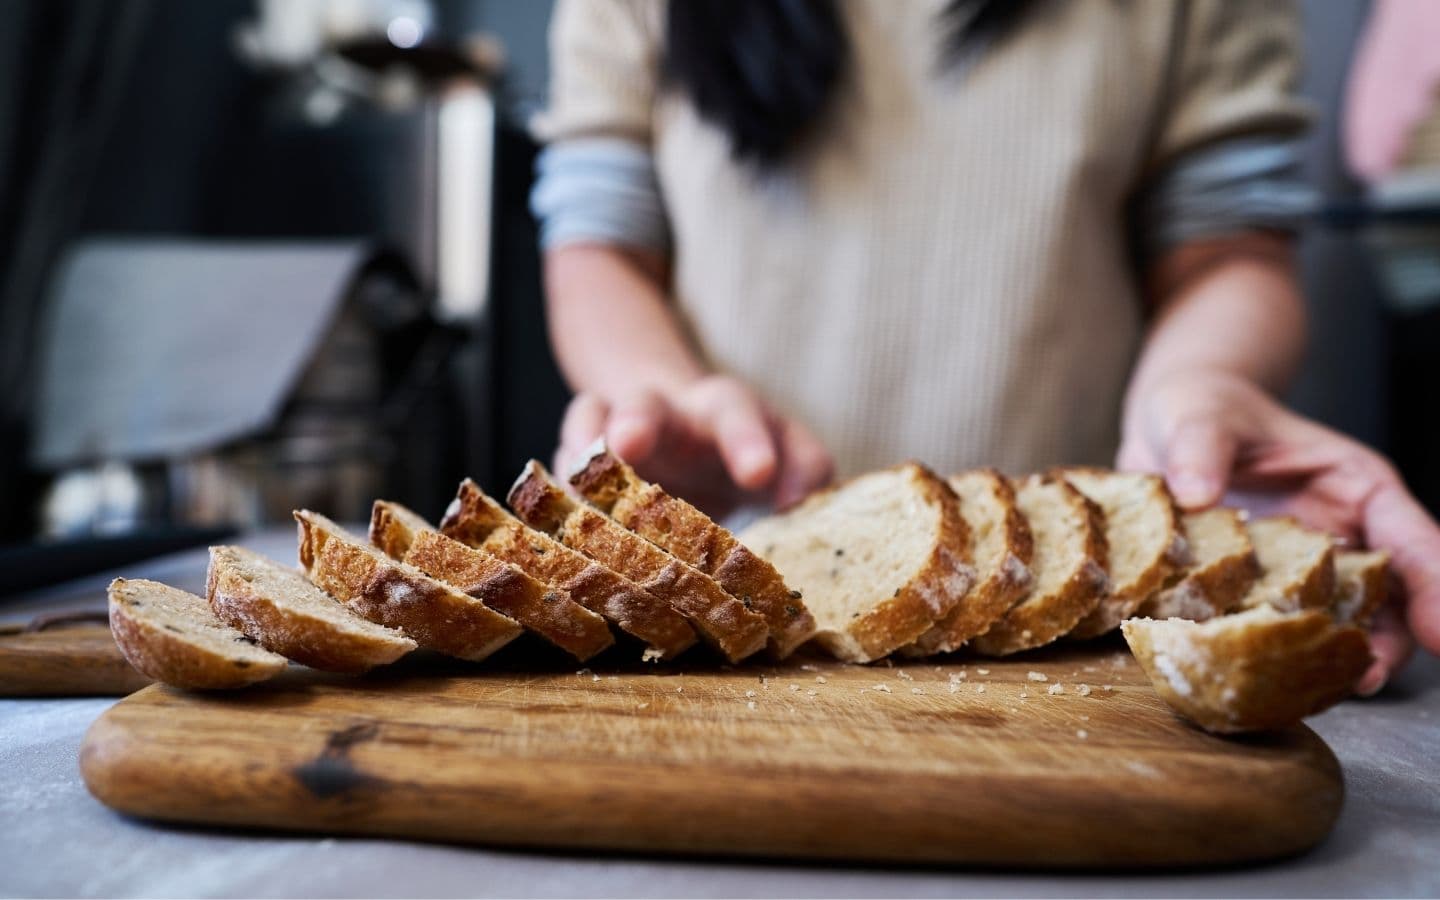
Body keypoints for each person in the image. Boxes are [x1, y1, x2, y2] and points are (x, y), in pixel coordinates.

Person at [528, 0, 1440, 693]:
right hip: (727, 607)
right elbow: (600, 242)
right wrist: (661, 392)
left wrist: (1205, 385)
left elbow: (1230, 248)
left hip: (1078, 626)